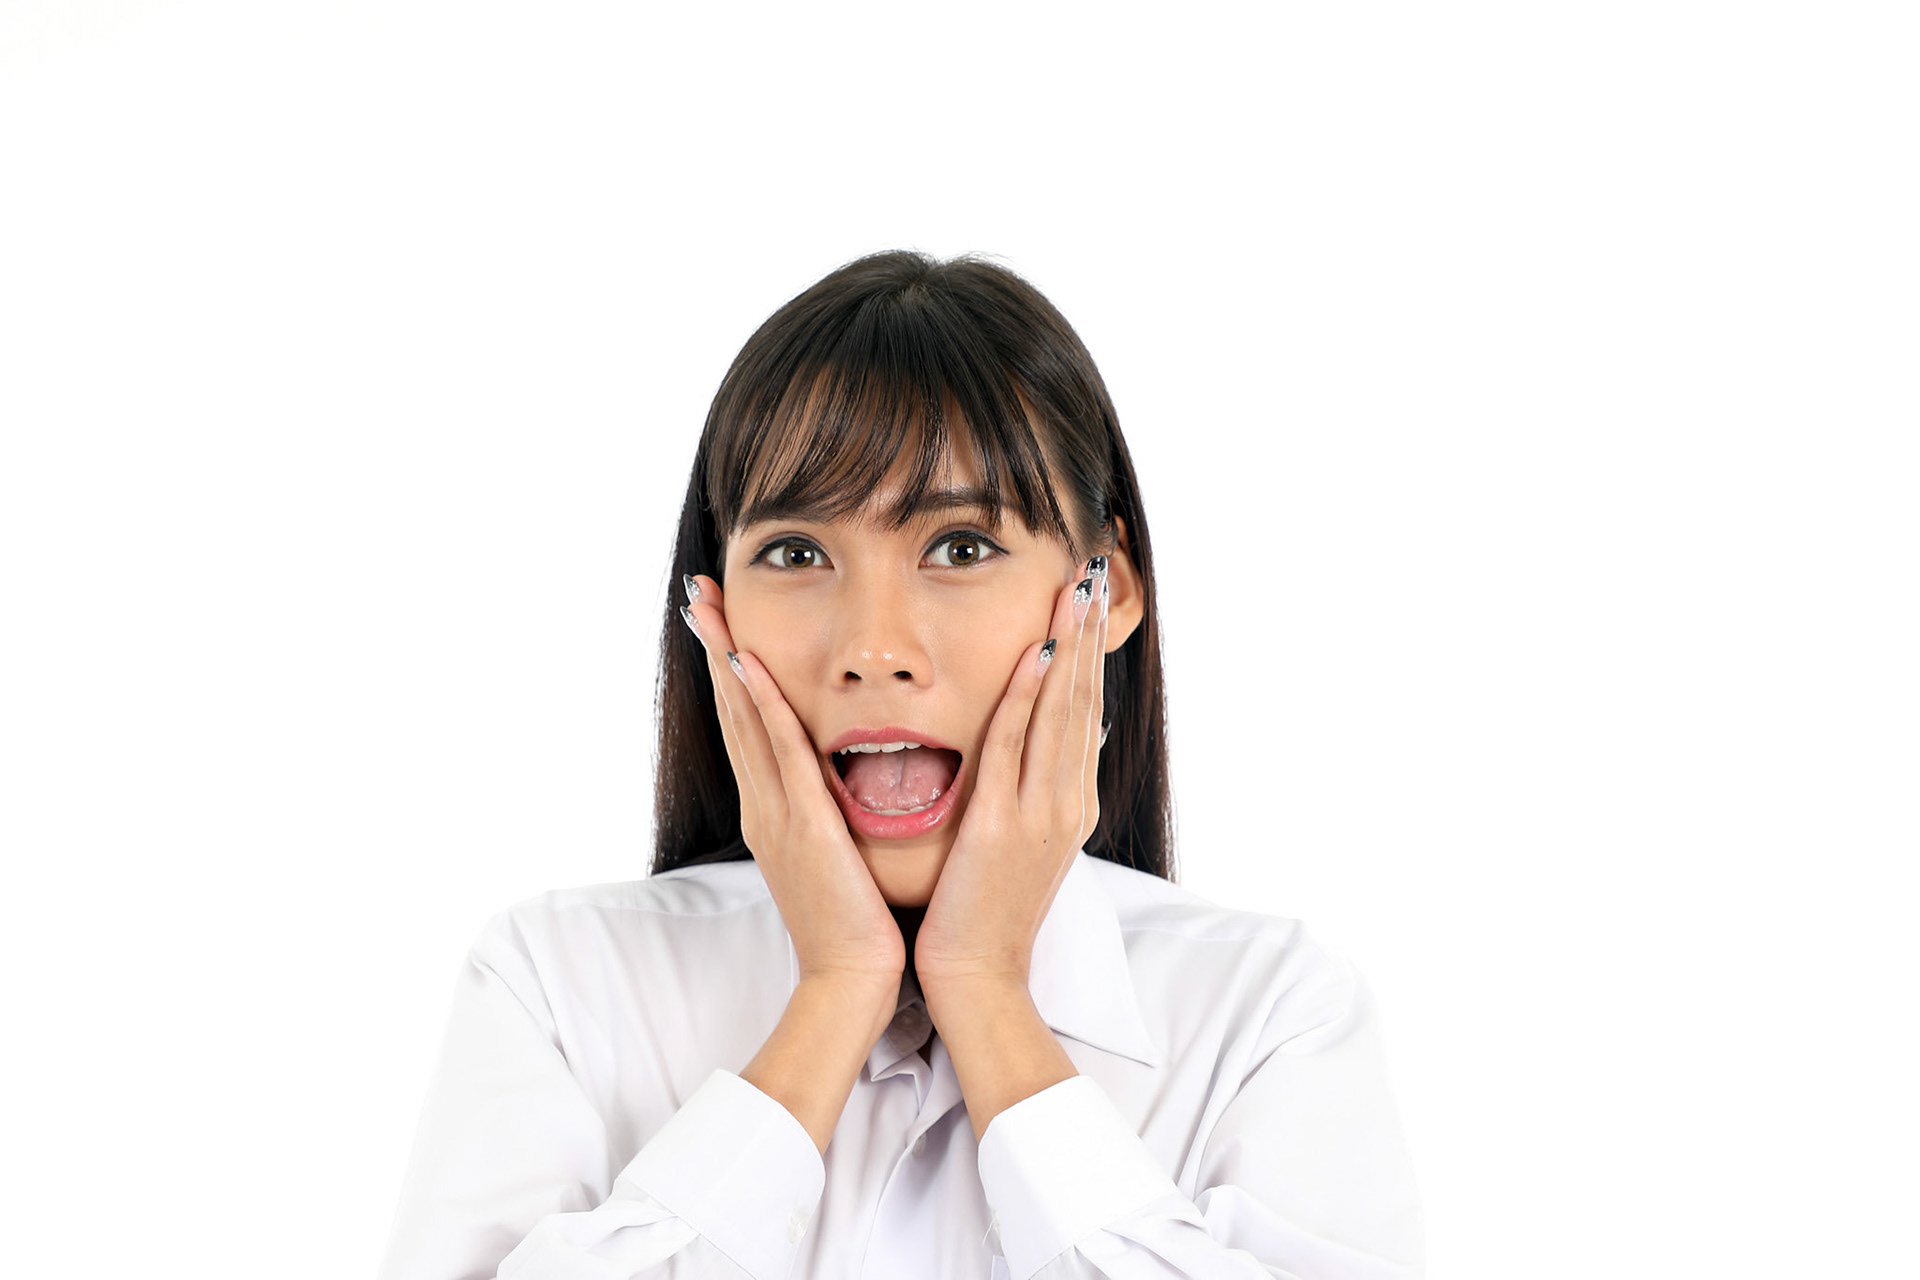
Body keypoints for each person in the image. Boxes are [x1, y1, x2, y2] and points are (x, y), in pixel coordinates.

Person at [377, 251, 1424, 1279]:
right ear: (713, 603)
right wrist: (837, 991)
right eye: (796, 552)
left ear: (1107, 590)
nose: (874, 647)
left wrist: (984, 992)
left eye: (961, 545)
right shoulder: (561, 984)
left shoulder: (1270, 1014)